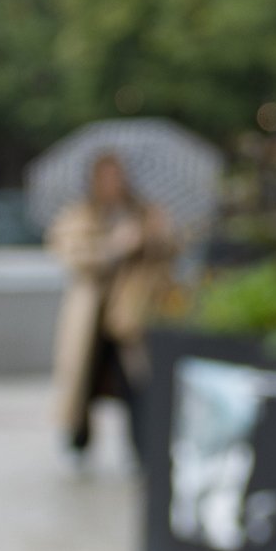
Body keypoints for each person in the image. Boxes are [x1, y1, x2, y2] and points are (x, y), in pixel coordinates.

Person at [48, 150, 183, 461]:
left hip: (130, 315)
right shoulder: (81, 215)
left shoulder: (146, 213)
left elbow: (172, 251)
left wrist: (156, 235)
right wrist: (114, 246)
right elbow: (70, 254)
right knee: (83, 383)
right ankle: (78, 438)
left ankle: (142, 447)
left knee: (136, 384)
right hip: (91, 317)